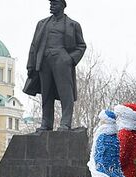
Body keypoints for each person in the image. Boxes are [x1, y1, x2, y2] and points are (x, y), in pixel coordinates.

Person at [25, 0, 86, 131]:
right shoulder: (42, 24)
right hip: (44, 61)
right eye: (51, 3)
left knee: (66, 93)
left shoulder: (73, 25)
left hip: (62, 61)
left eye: (55, 4)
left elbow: (81, 46)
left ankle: (65, 123)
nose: (51, 6)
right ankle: (46, 124)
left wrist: (69, 59)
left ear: (63, 6)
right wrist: (31, 65)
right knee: (46, 93)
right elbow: (34, 46)